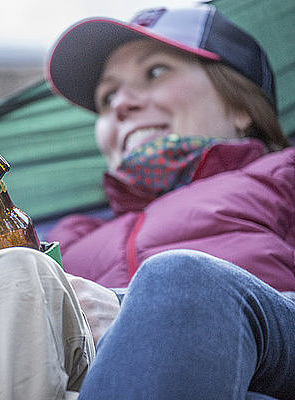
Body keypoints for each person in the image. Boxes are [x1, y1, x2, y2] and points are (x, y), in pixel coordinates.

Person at [44, 4, 295, 399]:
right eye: (107, 96)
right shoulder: (68, 237)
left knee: (182, 277)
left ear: (242, 104)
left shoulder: (285, 178)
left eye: (156, 72)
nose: (122, 103)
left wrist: (144, 315)